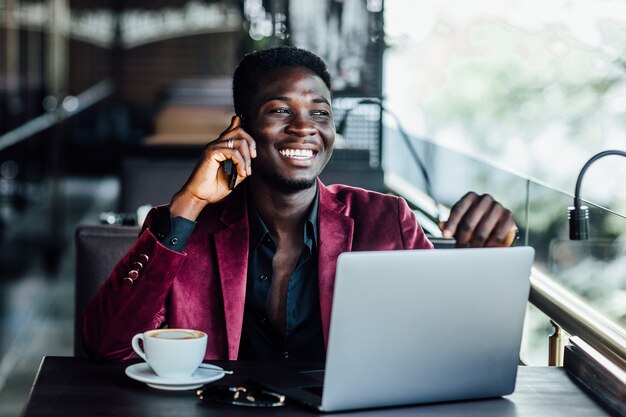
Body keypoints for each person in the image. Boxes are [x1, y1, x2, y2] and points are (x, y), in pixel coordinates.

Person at [82, 46, 517, 362]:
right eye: (279, 111)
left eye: (320, 113)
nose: (305, 128)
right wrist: (190, 204)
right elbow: (108, 346)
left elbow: (443, 343)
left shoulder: (385, 220)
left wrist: (487, 263)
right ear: (241, 129)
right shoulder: (182, 226)